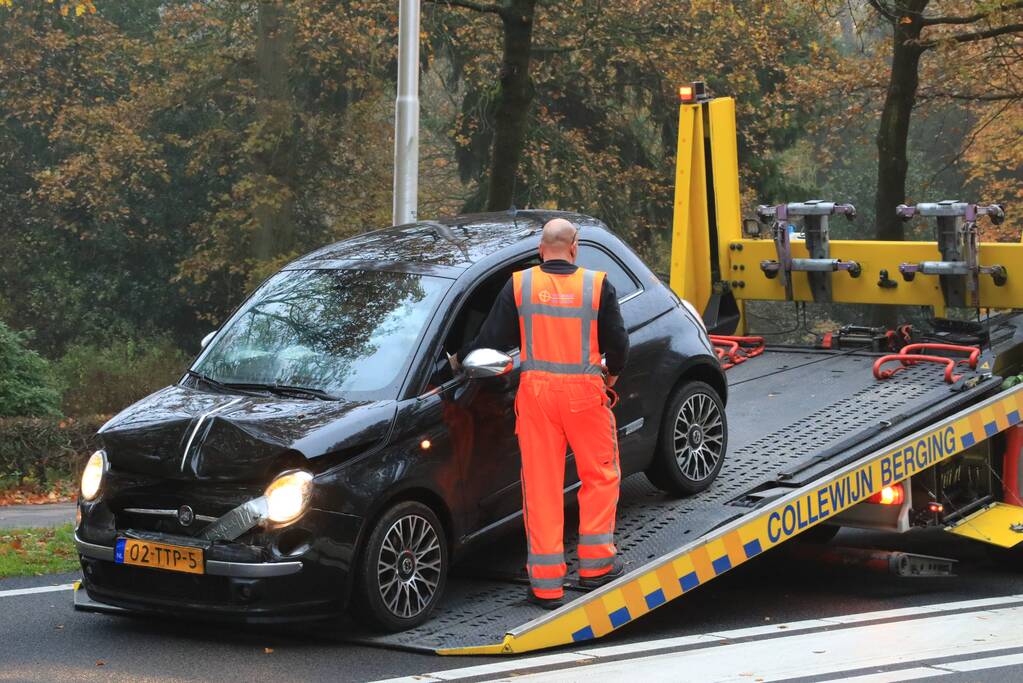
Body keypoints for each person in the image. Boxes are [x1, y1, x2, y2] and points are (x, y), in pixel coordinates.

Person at [456, 218, 629, 609]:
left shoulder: (520, 285)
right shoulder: (597, 285)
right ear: (574, 246)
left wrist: (459, 360)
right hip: (586, 393)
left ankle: (547, 585)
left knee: (542, 487)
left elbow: (489, 343)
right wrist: (611, 375)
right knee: (600, 475)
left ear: (540, 247)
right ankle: (596, 566)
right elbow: (618, 342)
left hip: (536, 397)